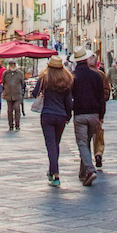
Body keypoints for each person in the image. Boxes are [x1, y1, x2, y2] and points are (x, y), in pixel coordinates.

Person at [33, 55, 74, 185]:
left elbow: (34, 93)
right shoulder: (66, 79)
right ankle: (52, 171)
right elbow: (68, 101)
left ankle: (56, 175)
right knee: (56, 144)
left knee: (50, 145)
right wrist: (68, 116)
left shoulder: (44, 78)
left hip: (47, 115)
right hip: (61, 115)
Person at [71, 47, 106, 185]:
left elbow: (70, 98)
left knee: (82, 143)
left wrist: (69, 112)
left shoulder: (72, 76)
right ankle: (83, 173)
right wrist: (101, 115)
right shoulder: (96, 76)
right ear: (86, 59)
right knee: (86, 143)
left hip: (80, 114)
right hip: (94, 115)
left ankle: (90, 170)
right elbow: (101, 98)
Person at [92, 60, 112, 169]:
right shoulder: (101, 75)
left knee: (83, 140)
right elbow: (106, 93)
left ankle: (85, 162)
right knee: (98, 135)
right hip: (96, 112)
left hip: (81, 112)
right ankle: (98, 154)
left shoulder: (77, 74)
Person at [2, 59, 24, 131]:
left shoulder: (20, 73)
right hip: (9, 95)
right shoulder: (5, 73)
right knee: (9, 111)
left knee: (17, 108)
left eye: (13, 65)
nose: (12, 66)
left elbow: (22, 83)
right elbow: (3, 82)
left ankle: (17, 125)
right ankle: (11, 125)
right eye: (11, 65)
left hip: (17, 95)